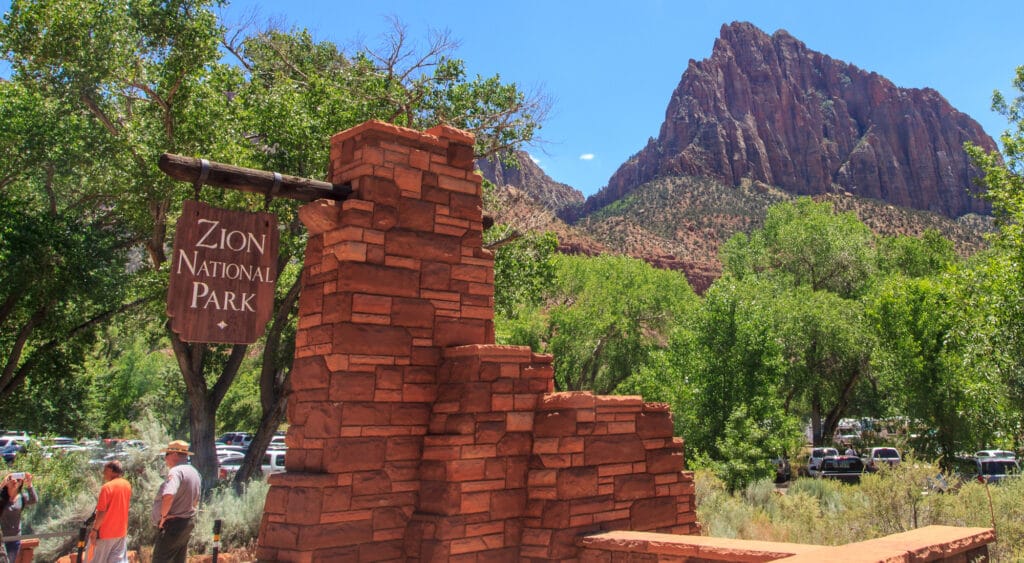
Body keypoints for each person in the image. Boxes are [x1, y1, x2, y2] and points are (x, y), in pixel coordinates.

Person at [151, 440, 201, 563]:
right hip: (186, 523)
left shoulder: (176, 471)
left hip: (172, 525)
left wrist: (163, 517)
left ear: (174, 454)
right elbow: (196, 500)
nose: (165, 458)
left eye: (166, 454)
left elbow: (168, 495)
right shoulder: (194, 472)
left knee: (160, 560)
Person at [87, 460, 132, 563]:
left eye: (105, 470)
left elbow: (101, 512)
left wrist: (94, 530)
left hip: (105, 533)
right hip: (120, 532)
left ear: (111, 470)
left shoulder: (107, 487)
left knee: (96, 560)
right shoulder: (126, 485)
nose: (103, 473)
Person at [1, 472, 37, 562]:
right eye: (11, 479)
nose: (15, 482)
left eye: (18, 480)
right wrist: (2, 484)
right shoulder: (2, 498)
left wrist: (29, 484)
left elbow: (34, 500)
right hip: (1, 539)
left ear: (21, 483)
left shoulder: (22, 498)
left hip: (15, 538)